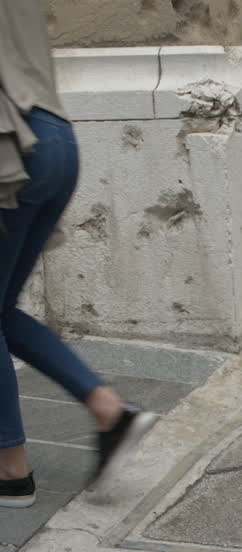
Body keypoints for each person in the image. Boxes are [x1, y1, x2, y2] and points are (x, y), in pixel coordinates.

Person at [0, 0, 157, 508]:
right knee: (1, 311)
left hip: (11, 143)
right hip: (55, 138)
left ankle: (10, 471)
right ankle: (106, 407)